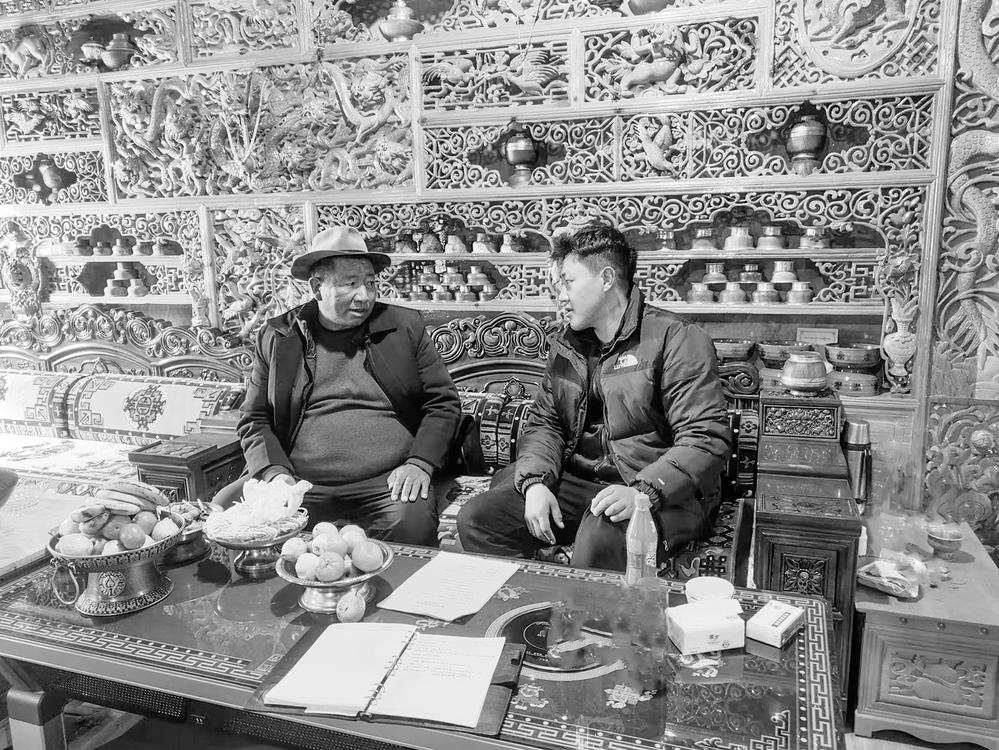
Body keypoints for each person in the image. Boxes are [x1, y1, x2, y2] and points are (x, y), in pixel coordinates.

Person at [457, 224, 730, 571]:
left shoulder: (676, 339)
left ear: (606, 279)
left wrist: (644, 491)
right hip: (581, 480)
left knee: (599, 536)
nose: (560, 295)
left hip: (657, 490)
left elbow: (704, 438)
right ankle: (528, 599)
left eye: (568, 282)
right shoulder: (568, 344)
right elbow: (545, 423)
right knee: (479, 518)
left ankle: (580, 608)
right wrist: (536, 482)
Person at [213, 226, 461, 546]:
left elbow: (442, 403)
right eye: (351, 284)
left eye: (370, 283)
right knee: (225, 510)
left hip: (387, 481)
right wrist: (275, 473)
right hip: (299, 481)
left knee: (410, 525)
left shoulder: (403, 327)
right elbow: (254, 417)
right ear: (318, 287)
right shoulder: (278, 337)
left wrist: (419, 463)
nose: (365, 296)